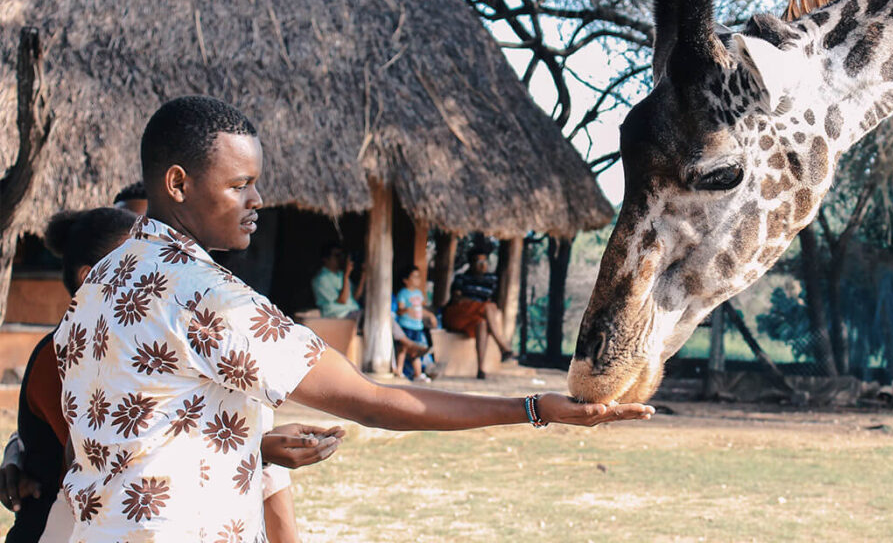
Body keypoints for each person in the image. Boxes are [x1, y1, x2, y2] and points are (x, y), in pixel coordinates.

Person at [51, 95, 652, 541]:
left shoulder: (104, 281)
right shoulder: (203, 294)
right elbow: (371, 402)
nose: (257, 200)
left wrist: (253, 445)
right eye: (240, 185)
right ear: (178, 184)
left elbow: (141, 431)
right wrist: (534, 408)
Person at [1, 207, 341, 543]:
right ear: (90, 277)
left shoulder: (155, 343)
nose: (154, 269)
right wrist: (259, 448)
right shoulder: (70, 352)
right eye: (133, 262)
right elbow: (110, 457)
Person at [442, 247, 516, 379]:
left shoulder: (491, 280)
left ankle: (481, 368)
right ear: (471, 263)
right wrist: (478, 304)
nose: (482, 265)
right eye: (478, 262)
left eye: (485, 262)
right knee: (488, 307)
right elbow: (457, 300)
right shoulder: (461, 278)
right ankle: (502, 346)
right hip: (458, 315)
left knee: (482, 323)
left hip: (475, 317)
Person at [394, 265, 436, 382]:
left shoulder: (419, 293)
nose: (418, 279)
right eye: (414, 276)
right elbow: (399, 310)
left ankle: (418, 374)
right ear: (406, 280)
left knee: (416, 351)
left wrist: (430, 315)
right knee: (403, 348)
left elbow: (420, 309)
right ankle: (399, 371)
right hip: (406, 325)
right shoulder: (403, 293)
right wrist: (407, 310)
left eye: (418, 276)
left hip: (417, 326)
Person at [311, 242, 364, 321]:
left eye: (342, 255)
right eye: (337, 256)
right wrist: (346, 276)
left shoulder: (340, 275)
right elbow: (342, 300)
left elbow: (355, 297)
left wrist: (364, 274)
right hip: (340, 315)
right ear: (325, 259)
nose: (341, 259)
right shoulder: (321, 279)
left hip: (353, 312)